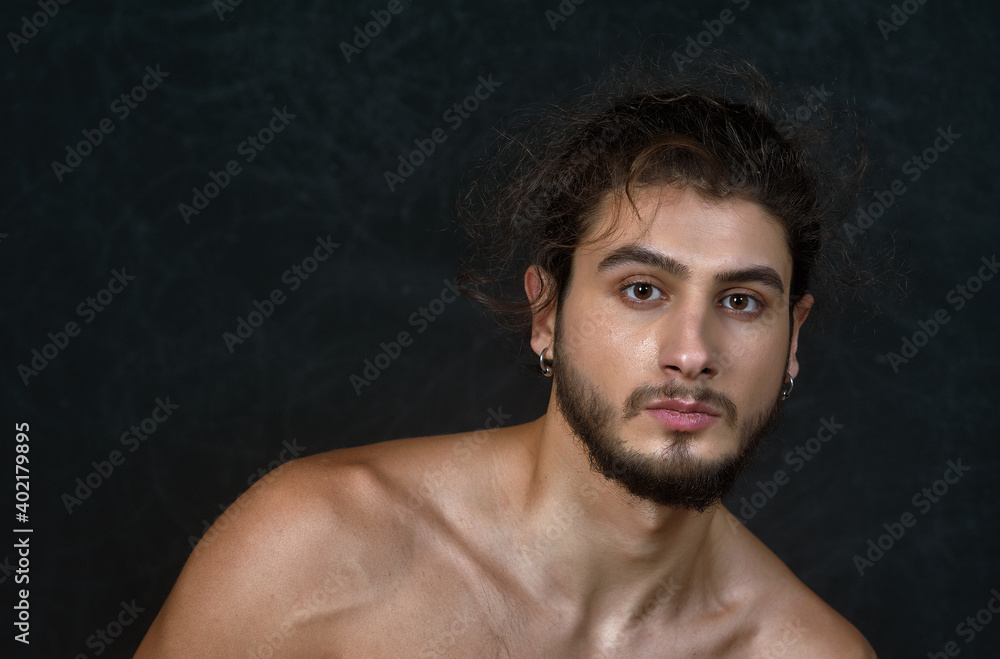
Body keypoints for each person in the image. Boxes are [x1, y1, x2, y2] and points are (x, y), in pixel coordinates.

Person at [136, 59, 877, 657]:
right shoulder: (315, 546)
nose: (692, 353)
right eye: (643, 289)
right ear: (546, 312)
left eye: (742, 301)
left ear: (793, 338)